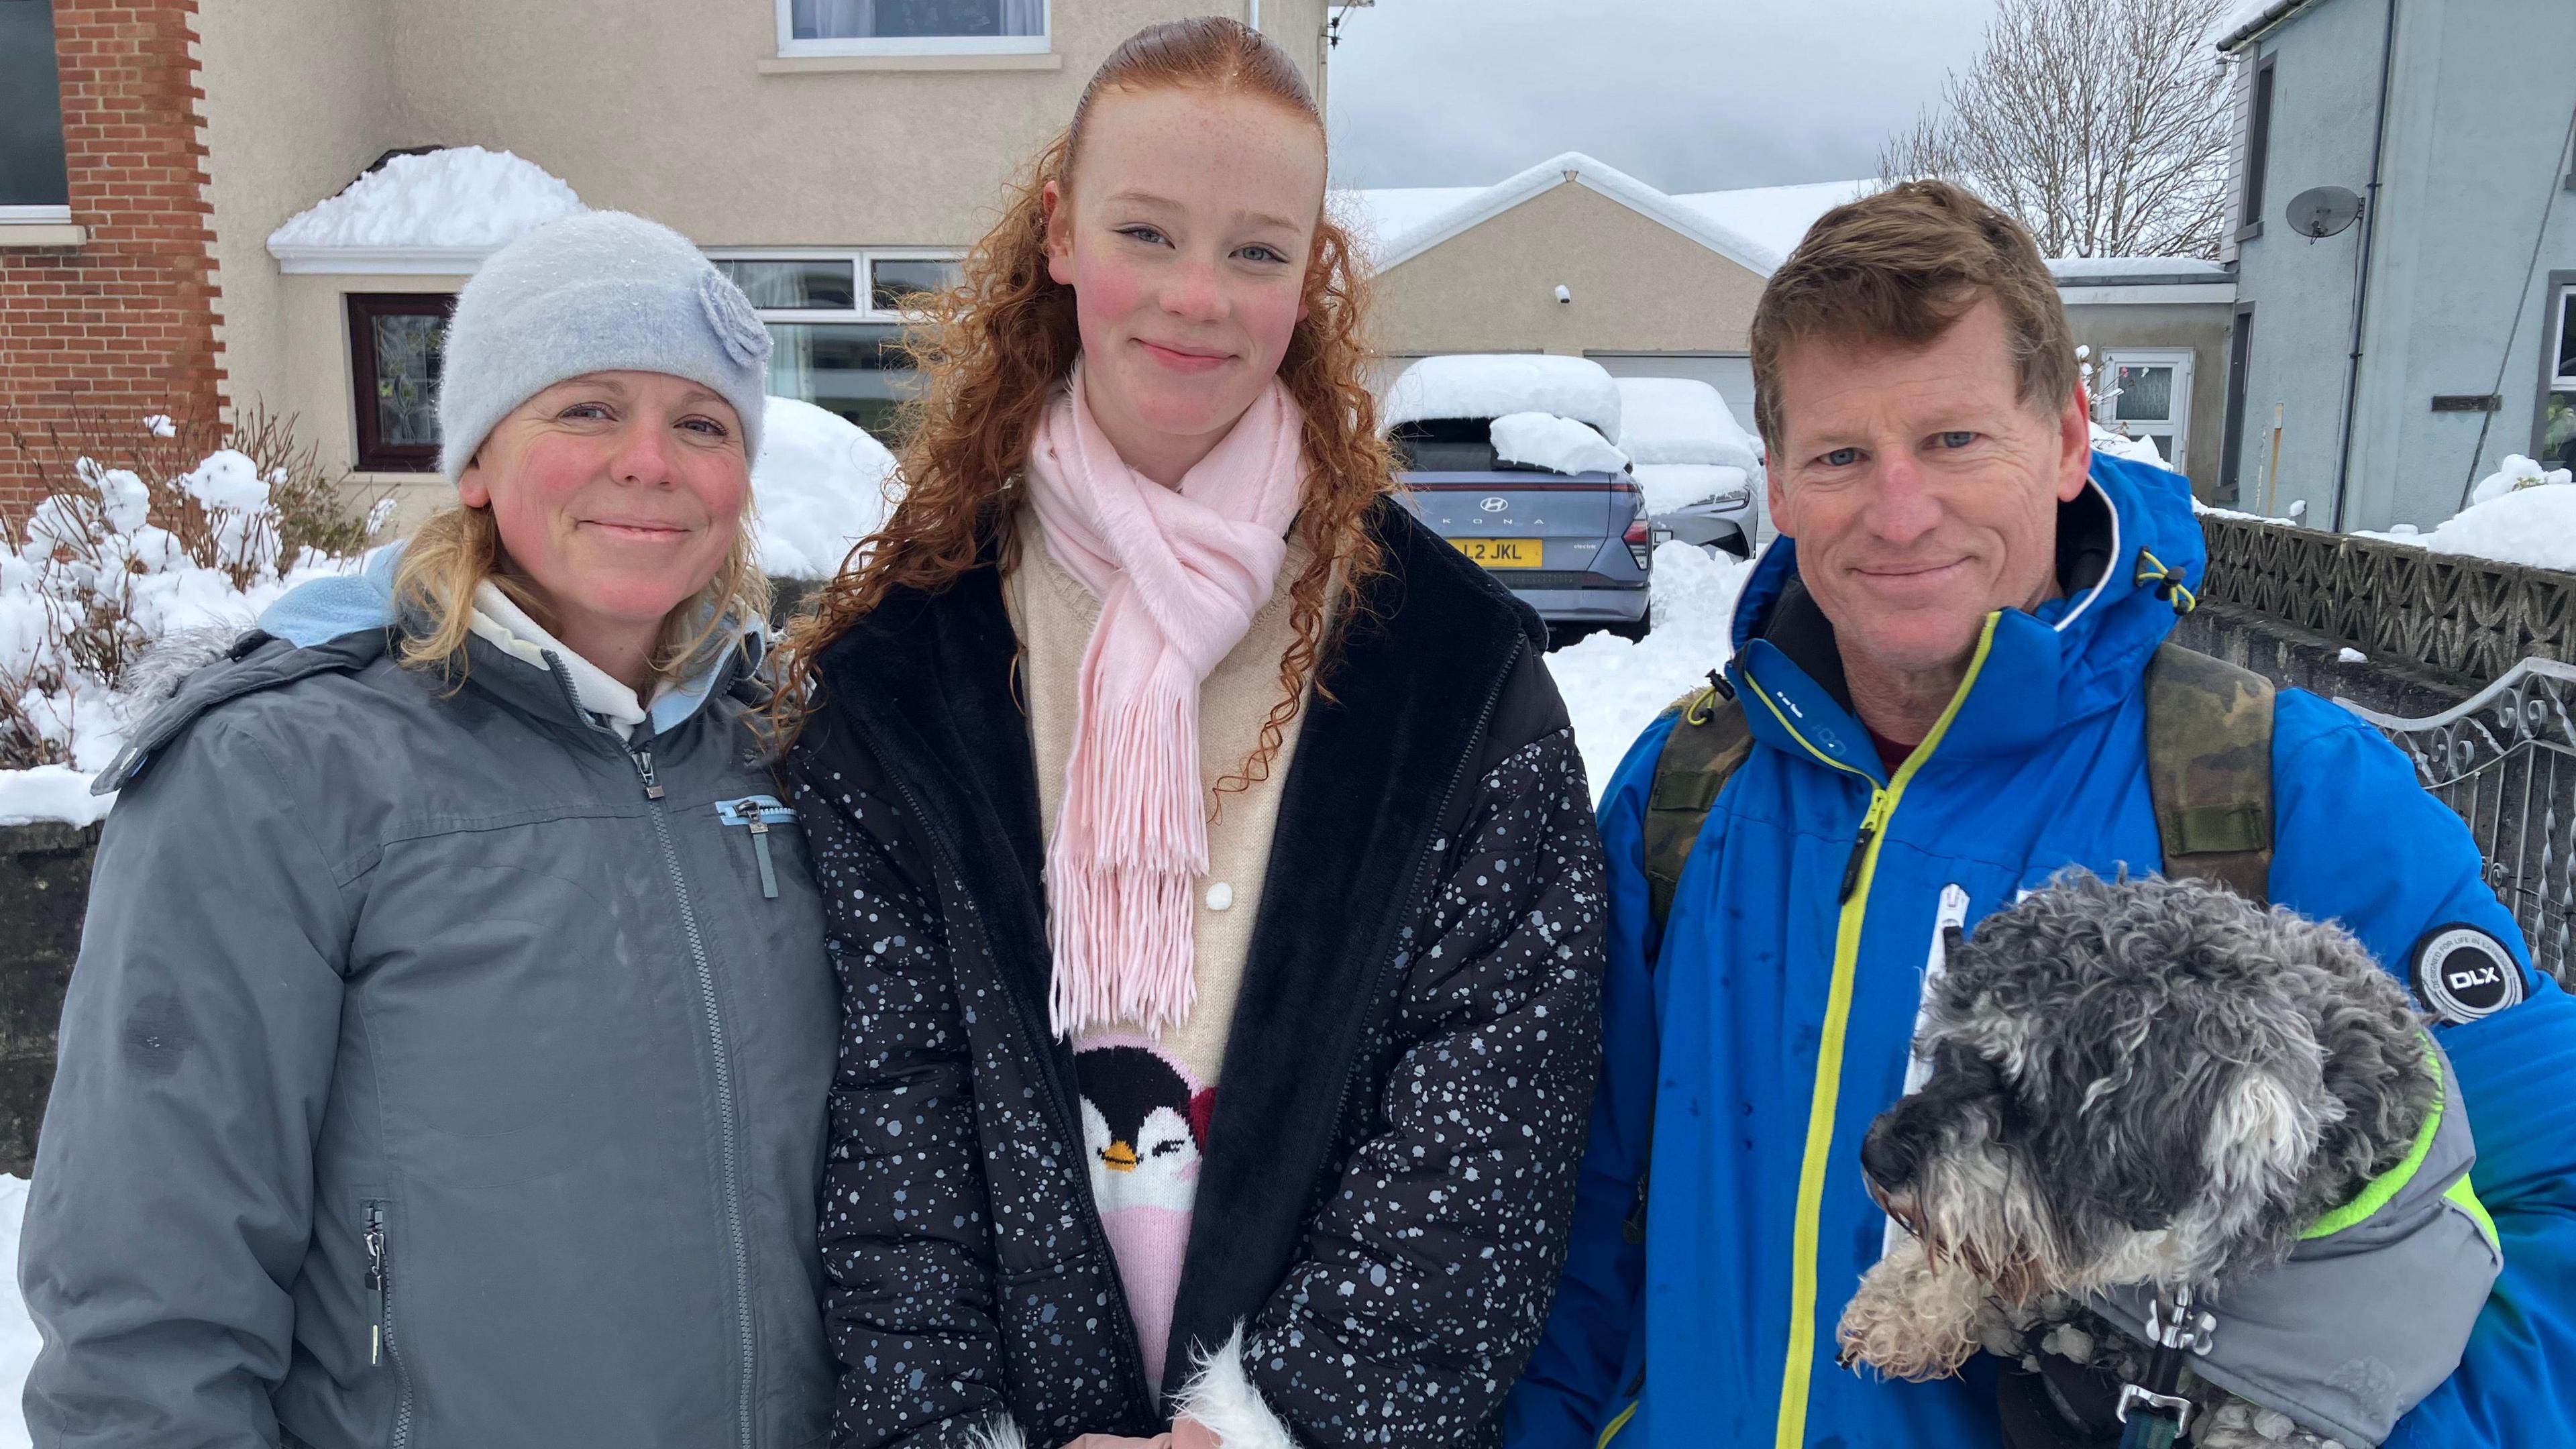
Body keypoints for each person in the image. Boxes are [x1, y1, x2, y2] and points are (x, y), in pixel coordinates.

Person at [1504, 180, 2576, 1447]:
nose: (1901, 512)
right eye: (1842, 455)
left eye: (1956, 440)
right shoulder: (1686, 787)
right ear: (1778, 485)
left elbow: (2551, 1194)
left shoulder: (2276, 787)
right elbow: (1576, 1215)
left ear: (2070, 439)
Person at [768, 19, 1606, 1448]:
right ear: (1060, 237)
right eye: (1147, 231)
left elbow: (1487, 1120)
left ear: (1311, 279)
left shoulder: (1451, 674)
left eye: (1258, 251)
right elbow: (888, 1124)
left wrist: (1269, 1427)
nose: (1197, 299)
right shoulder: (907, 672)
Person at [19, 211, 837, 1447]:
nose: (651, 461)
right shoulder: (276, 770)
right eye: (587, 408)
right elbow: (149, 1296)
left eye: (703, 423)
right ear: (475, 461)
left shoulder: (784, 751)